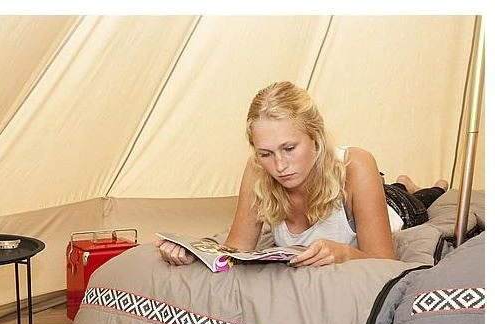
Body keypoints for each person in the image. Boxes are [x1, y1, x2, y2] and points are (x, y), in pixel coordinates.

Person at [157, 81, 447, 268]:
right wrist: (192, 252)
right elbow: (236, 249)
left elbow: (384, 263)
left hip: (396, 208)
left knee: (417, 198)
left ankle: (420, 186)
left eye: (289, 148)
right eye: (266, 153)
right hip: (363, 193)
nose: (280, 166)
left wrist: (345, 254)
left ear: (315, 138)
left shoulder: (357, 164)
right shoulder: (257, 169)